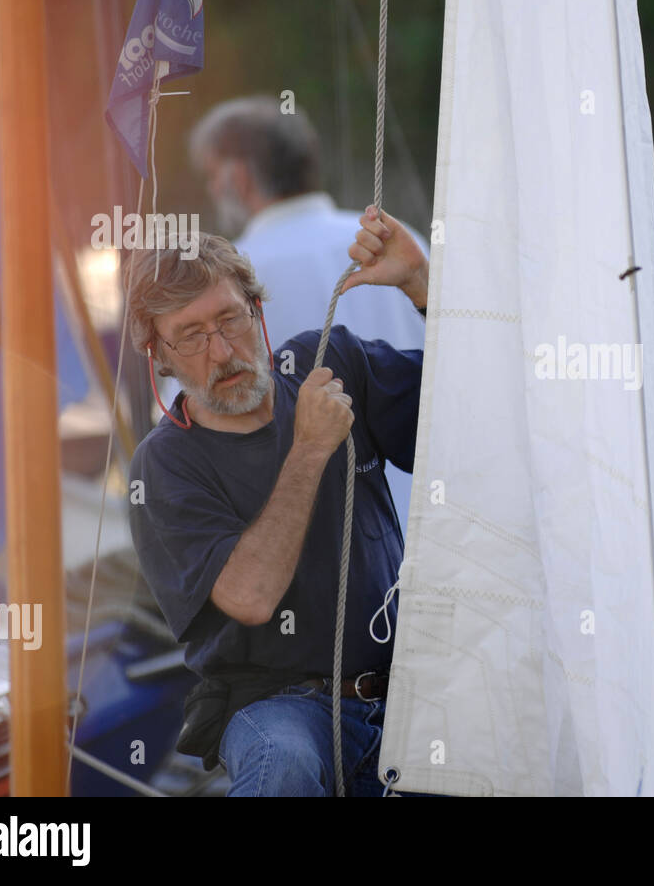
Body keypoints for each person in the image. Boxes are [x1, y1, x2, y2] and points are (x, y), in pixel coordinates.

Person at [126, 211, 426, 797]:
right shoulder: (164, 464)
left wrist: (421, 287)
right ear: (159, 356)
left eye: (230, 319)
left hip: (406, 689)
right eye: (190, 335)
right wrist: (311, 448)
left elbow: (469, 411)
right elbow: (251, 596)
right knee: (284, 764)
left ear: (257, 311)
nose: (221, 351)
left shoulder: (333, 362)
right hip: (276, 705)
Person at [171, 96, 427, 536]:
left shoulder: (224, 280)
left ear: (238, 176)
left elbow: (188, 424)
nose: (213, 190)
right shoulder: (399, 243)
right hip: (431, 529)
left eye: (213, 176)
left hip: (323, 555)